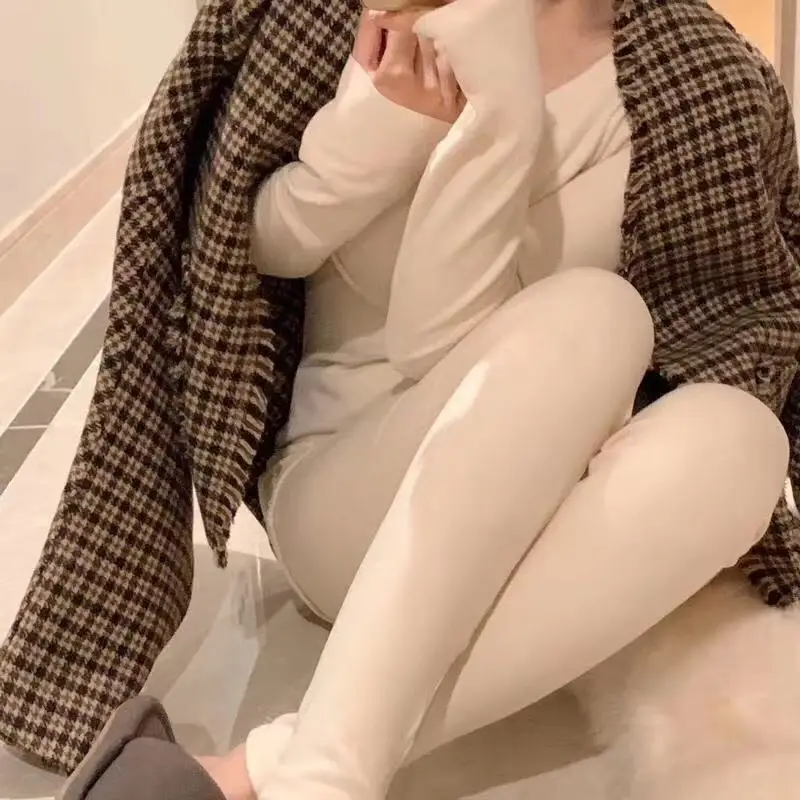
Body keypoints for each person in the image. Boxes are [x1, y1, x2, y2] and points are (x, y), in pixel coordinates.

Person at [59, 0, 791, 799]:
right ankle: (326, 777)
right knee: (594, 314)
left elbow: (720, 322)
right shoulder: (352, 17)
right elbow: (250, 242)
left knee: (741, 439)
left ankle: (287, 763)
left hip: (530, 482)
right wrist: (399, 128)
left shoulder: (688, 76)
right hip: (348, 492)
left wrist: (501, 116)